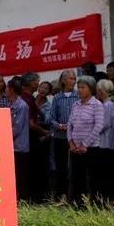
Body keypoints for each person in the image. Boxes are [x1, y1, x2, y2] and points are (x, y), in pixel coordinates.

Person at [67, 76, 104, 203]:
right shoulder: (75, 104)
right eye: (78, 87)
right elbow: (70, 125)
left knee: (93, 179)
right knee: (77, 178)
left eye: (83, 87)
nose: (79, 90)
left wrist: (84, 144)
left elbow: (98, 126)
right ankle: (78, 204)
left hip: (91, 148)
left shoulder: (97, 104)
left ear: (91, 88)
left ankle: (94, 205)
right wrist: (71, 143)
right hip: (75, 148)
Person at [49, 70, 78, 199]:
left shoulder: (78, 96)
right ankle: (61, 194)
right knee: (61, 166)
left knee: (74, 167)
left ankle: (74, 195)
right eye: (71, 78)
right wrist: (59, 126)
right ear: (64, 80)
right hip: (60, 137)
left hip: (75, 138)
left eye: (74, 78)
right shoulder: (57, 97)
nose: (73, 81)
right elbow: (51, 118)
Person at [22, 72, 50, 201]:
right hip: (30, 138)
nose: (38, 84)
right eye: (37, 82)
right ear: (32, 83)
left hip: (29, 138)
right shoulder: (26, 99)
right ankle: (35, 197)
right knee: (35, 168)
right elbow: (31, 124)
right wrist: (44, 132)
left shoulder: (29, 98)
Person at [6, 78, 30, 202]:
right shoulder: (10, 104)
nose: (5, 90)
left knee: (21, 175)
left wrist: (4, 137)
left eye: (7, 88)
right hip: (12, 146)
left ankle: (23, 200)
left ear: (11, 90)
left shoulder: (22, 105)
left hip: (20, 146)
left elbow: (17, 127)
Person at [96, 79, 114, 198]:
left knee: (106, 172)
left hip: (105, 143)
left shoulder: (107, 105)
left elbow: (104, 124)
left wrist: (92, 131)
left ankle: (107, 197)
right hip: (108, 142)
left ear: (102, 91)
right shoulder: (110, 104)